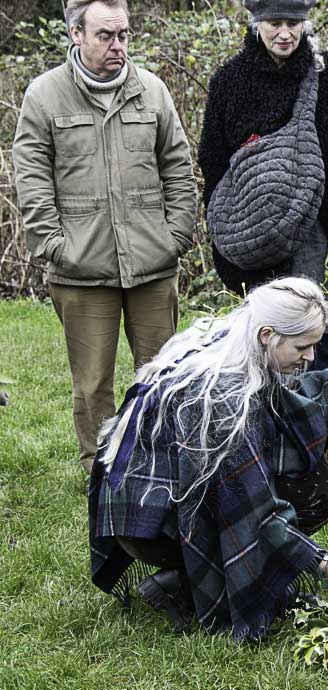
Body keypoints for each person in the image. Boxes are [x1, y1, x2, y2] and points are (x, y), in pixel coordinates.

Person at [88, 278, 328, 638]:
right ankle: (194, 582)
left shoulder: (229, 338)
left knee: (304, 478)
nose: (311, 357)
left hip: (142, 508)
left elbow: (276, 400)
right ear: (268, 335)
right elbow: (254, 513)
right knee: (310, 493)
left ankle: (186, 578)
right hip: (149, 525)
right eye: (303, 346)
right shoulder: (223, 399)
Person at [197, 0, 328, 482]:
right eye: (275, 23)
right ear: (256, 24)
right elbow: (214, 162)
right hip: (268, 238)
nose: (285, 33)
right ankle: (278, 438)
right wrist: (237, 222)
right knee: (277, 340)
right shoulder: (231, 83)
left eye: (293, 23)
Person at [12, 0, 197, 475]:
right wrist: (55, 246)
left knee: (163, 375)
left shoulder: (151, 90)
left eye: (124, 35)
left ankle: (160, 465)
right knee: (93, 383)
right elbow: (30, 178)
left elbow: (178, 168)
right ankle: (103, 472)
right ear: (76, 35)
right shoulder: (44, 95)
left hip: (153, 265)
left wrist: (176, 235)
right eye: (105, 36)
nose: (118, 45)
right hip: (80, 270)